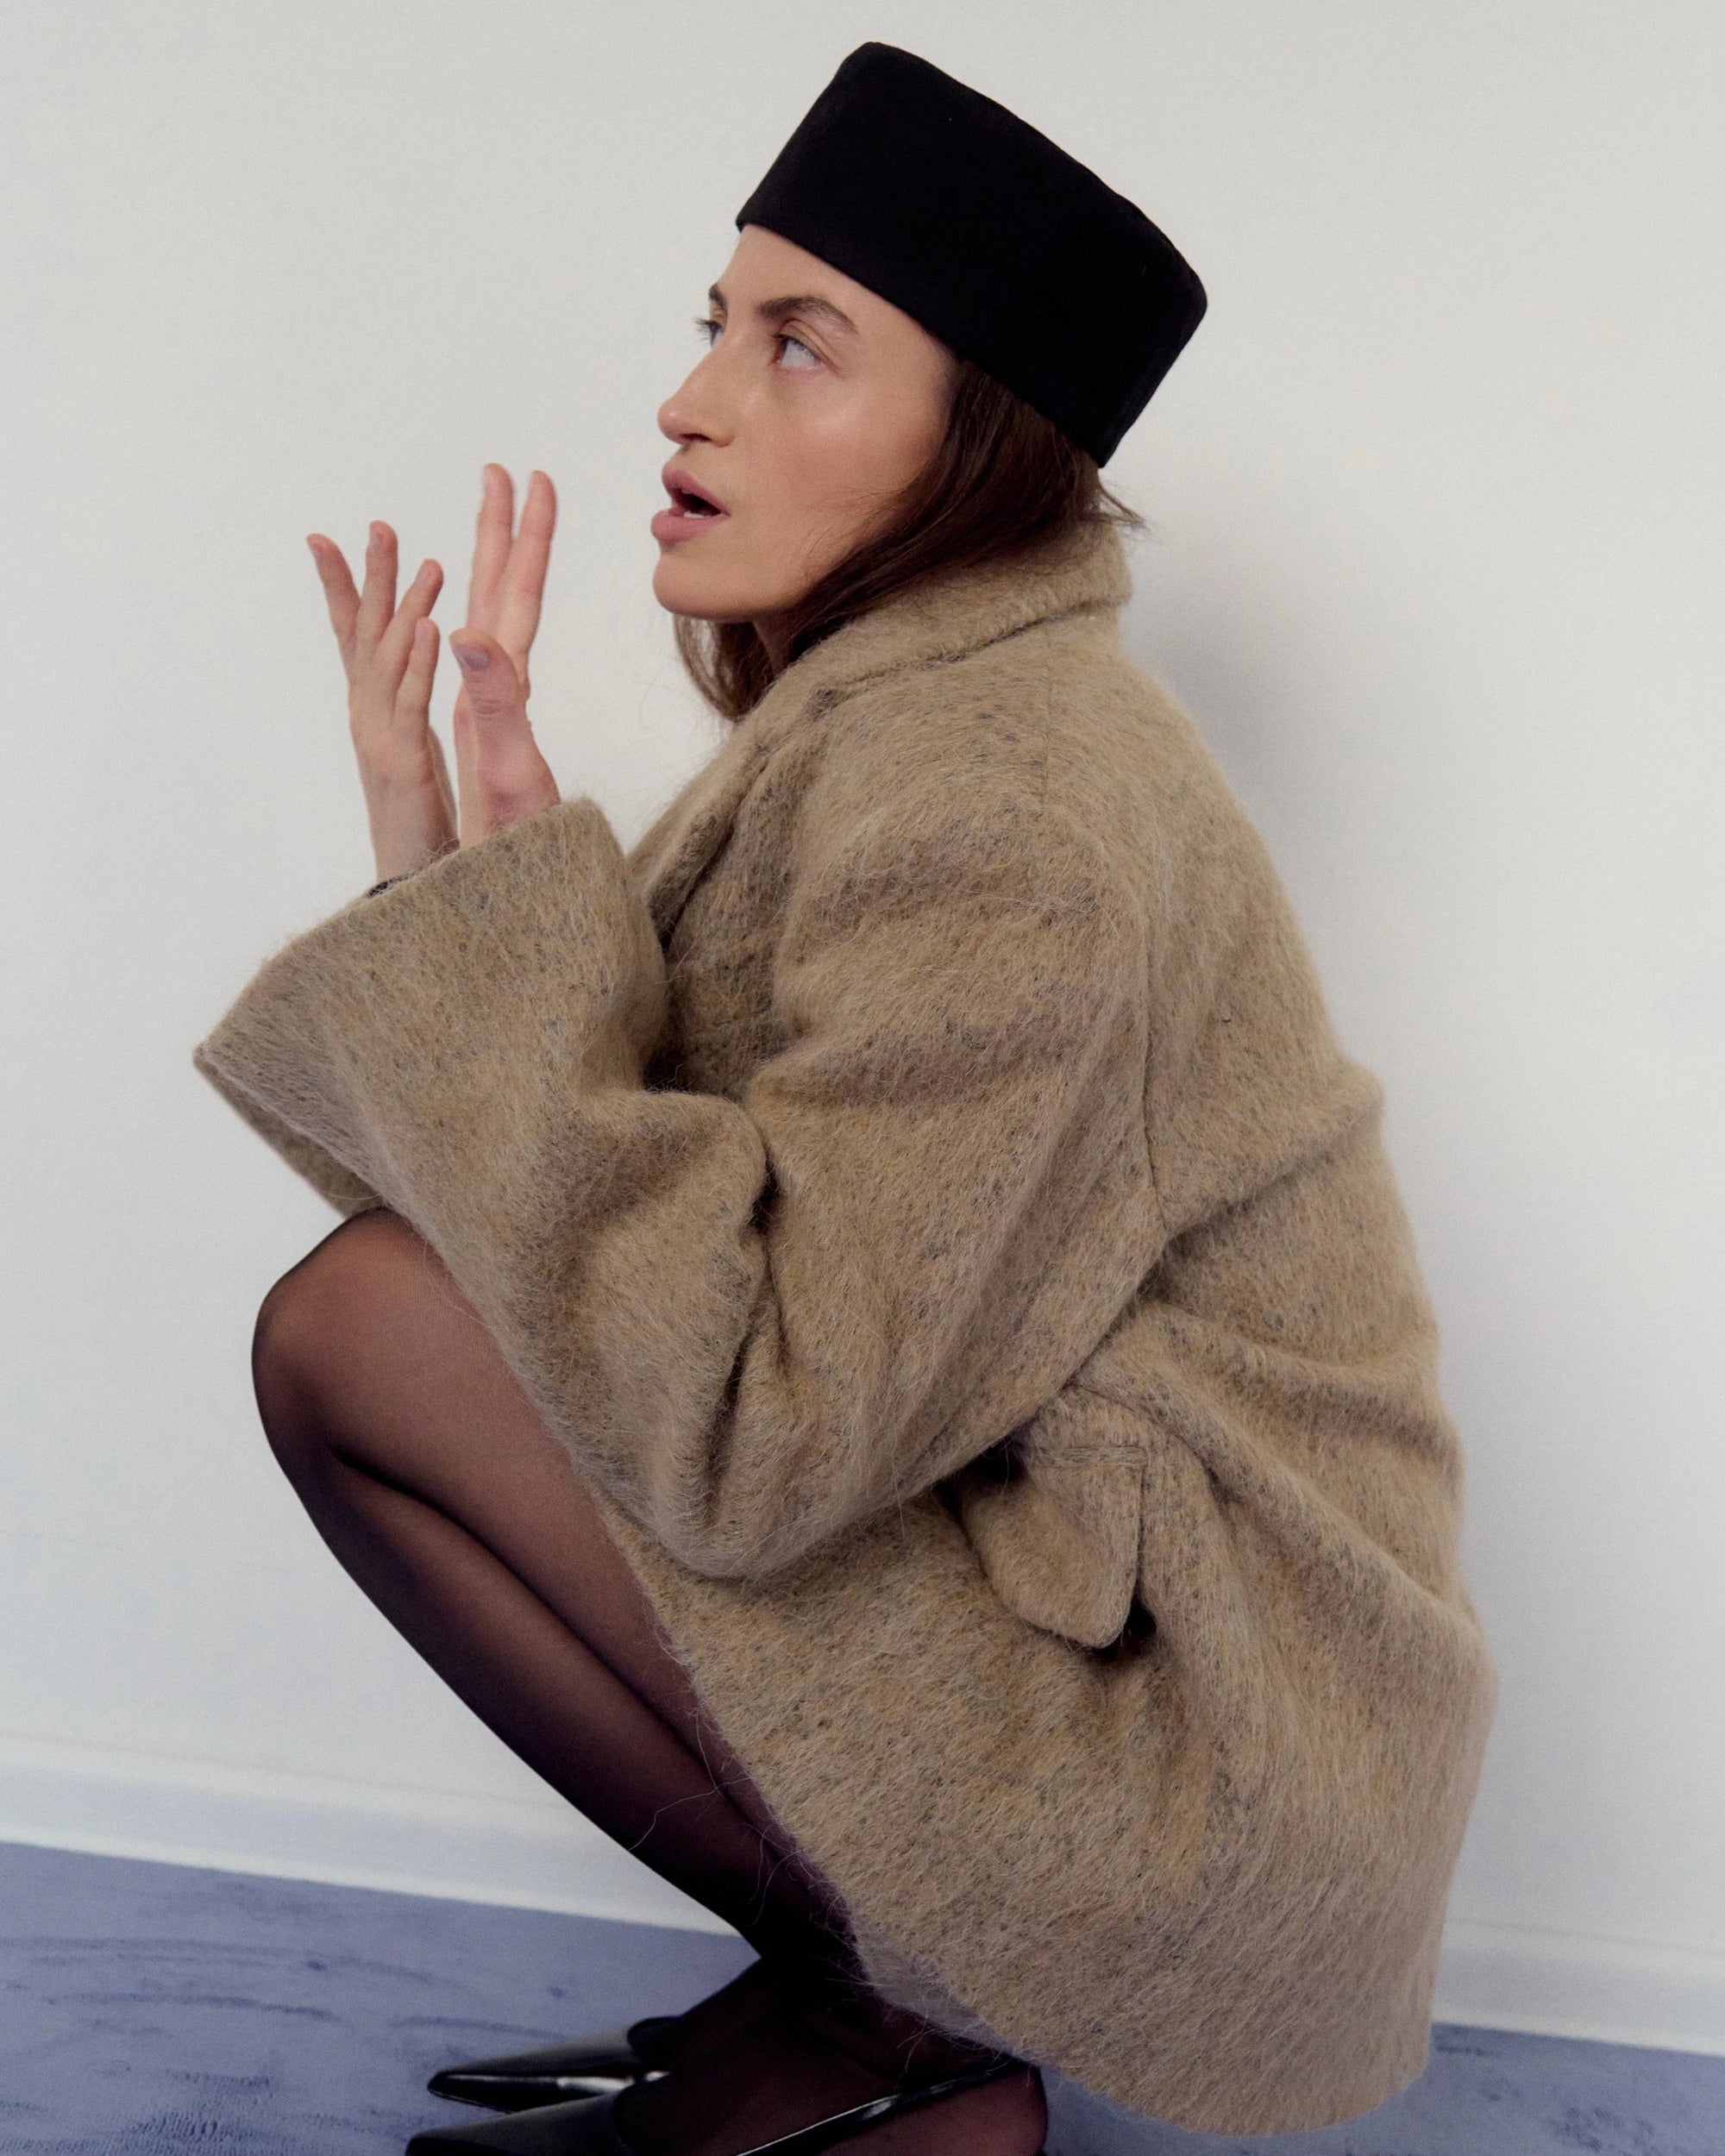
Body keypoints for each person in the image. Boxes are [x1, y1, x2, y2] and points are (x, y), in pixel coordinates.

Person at [193, 42, 1497, 2156]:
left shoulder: (1009, 805)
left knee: (361, 1333)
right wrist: (457, 880)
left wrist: (507, 946)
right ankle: (856, 2007)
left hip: (1194, 1762)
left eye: (802, 344)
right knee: (388, 1306)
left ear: (974, 441)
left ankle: (906, 2048)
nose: (691, 397)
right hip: (1087, 1635)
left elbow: (750, 1429)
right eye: (714, 323)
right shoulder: (911, 721)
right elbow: (618, 1263)